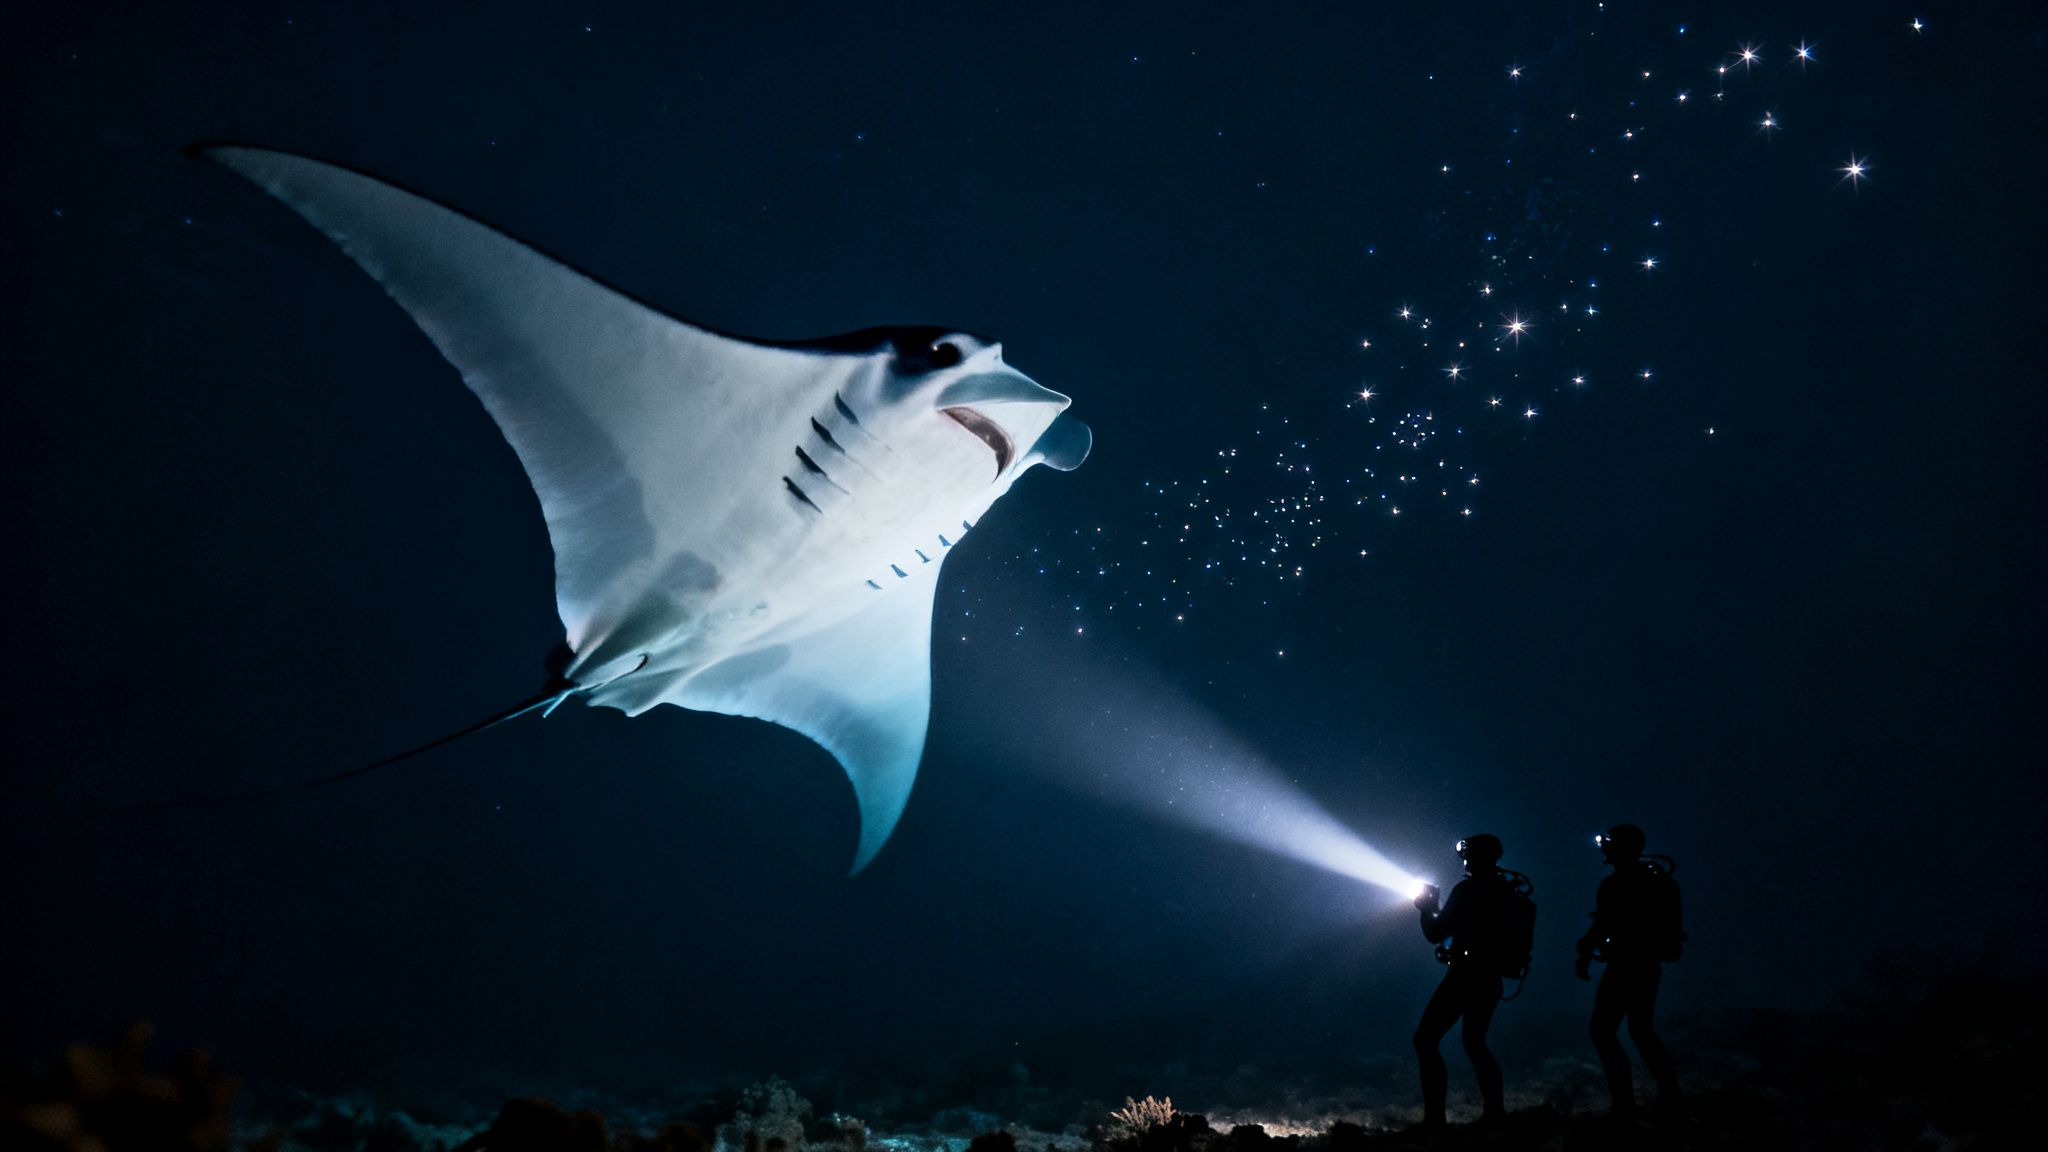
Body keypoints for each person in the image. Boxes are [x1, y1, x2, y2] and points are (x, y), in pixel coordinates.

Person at [1410, 833, 1524, 1129]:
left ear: (1474, 857)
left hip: (1464, 976)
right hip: (1490, 978)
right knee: (1475, 1043)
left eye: (1468, 853)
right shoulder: (1506, 890)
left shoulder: (1467, 890)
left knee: (1425, 1040)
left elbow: (1436, 933)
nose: (1464, 859)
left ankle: (1435, 1120)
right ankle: (1495, 1113)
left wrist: (1426, 909)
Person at [1576, 823, 1684, 1121]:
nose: (1604, 847)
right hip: (1645, 965)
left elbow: (1604, 923)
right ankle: (1669, 1097)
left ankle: (1626, 1105)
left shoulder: (1616, 884)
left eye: (1609, 842)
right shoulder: (1656, 882)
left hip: (1627, 965)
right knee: (1640, 1030)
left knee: (1605, 1030)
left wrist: (1585, 953)